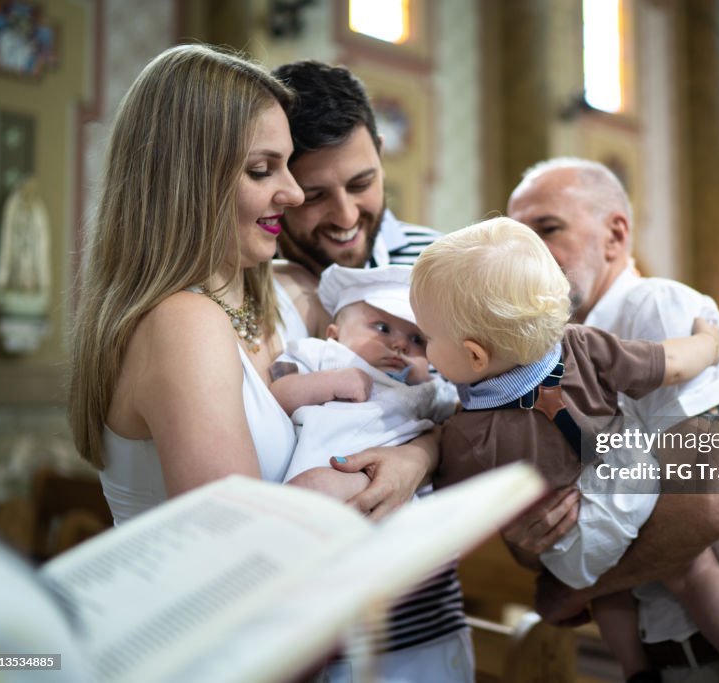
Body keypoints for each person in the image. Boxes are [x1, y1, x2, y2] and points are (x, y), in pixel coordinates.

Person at [506, 157, 719, 682]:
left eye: (548, 229)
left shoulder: (655, 308)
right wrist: (533, 544)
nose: (530, 255)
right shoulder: (551, 360)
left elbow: (707, 507)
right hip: (665, 656)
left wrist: (577, 583)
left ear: (615, 235)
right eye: (519, 240)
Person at [411, 217, 719, 682]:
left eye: (426, 338)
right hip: (634, 484)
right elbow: (667, 363)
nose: (424, 350)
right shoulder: (581, 347)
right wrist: (707, 343)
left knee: (608, 594)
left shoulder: (468, 431)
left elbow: (458, 506)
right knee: (696, 574)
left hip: (573, 539)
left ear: (475, 355)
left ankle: (636, 671)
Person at [270, 59, 473, 683]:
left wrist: (421, 455)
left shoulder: (441, 263)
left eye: (362, 182)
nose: (345, 214)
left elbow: (491, 401)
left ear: (382, 154)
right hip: (295, 629)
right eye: (316, 194)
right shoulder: (253, 281)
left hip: (420, 623)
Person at [68, 43, 303, 525]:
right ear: (189, 178)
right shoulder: (182, 322)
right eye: (262, 169)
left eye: (289, 164)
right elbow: (237, 539)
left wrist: (413, 457)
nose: (295, 192)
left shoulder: (278, 297)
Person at [271, 264, 456, 500]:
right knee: (315, 485)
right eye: (382, 328)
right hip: (324, 469)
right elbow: (277, 395)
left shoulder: (429, 388)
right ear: (334, 335)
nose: (400, 345)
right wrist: (326, 383)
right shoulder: (325, 355)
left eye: (417, 339)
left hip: (394, 482)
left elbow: (455, 427)